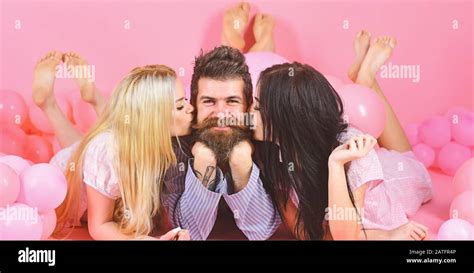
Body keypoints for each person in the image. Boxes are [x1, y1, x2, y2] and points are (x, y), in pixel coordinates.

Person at [250, 32, 434, 240]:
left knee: (411, 162)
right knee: (400, 153)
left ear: (286, 118)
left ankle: (368, 82)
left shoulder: (350, 152)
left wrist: (336, 166)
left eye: (257, 107)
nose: (248, 114)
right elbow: (305, 234)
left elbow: (346, 238)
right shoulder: (271, 156)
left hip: (392, 184)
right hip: (356, 188)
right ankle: (366, 82)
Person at [32, 51, 193, 240]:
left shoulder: (154, 141)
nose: (191, 109)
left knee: (87, 145)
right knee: (82, 152)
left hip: (91, 156)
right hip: (70, 184)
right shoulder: (107, 153)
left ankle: (92, 98)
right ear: (154, 119)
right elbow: (99, 226)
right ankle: (49, 105)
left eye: (186, 101)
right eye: (180, 106)